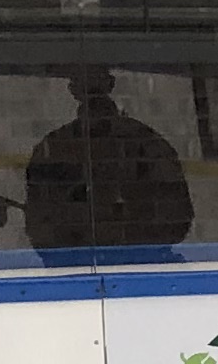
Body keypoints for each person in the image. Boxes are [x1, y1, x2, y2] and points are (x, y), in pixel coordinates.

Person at [22, 71, 193, 251]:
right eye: (83, 82)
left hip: (140, 258)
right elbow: (40, 224)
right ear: (72, 88)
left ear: (110, 82)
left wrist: (129, 216)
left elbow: (176, 218)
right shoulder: (54, 148)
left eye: (97, 79)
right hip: (74, 259)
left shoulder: (146, 143)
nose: (91, 90)